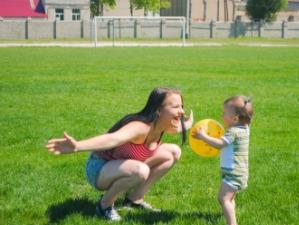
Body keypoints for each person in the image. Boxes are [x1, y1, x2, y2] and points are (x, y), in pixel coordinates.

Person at [46, 87, 193, 221]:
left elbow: (180, 128)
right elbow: (112, 139)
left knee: (173, 152)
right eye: (175, 107)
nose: (181, 111)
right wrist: (78, 146)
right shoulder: (140, 128)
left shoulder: (164, 125)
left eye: (182, 106)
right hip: (99, 168)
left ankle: (134, 200)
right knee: (141, 171)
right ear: (158, 110)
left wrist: (188, 124)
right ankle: (104, 205)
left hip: (123, 166)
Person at [192, 95, 253, 225]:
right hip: (239, 171)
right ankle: (230, 214)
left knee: (223, 198)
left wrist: (203, 136)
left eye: (224, 113)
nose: (221, 116)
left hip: (233, 172)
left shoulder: (233, 131)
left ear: (235, 118)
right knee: (230, 198)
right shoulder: (245, 129)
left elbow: (219, 144)